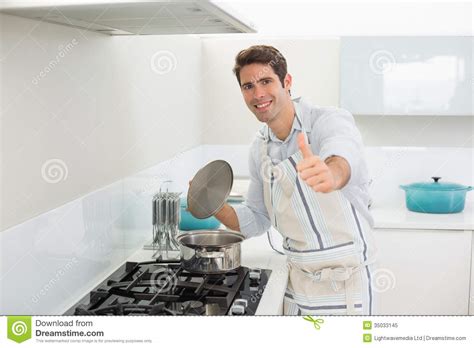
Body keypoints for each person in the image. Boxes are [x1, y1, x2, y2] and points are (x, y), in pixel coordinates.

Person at [213, 45, 376, 315]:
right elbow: (257, 217)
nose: (258, 94)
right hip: (297, 283)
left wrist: (331, 173)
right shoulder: (259, 149)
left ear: (287, 82)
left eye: (266, 81)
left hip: (347, 285)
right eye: (248, 86)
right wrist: (213, 204)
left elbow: (343, 152)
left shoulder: (326, 121)